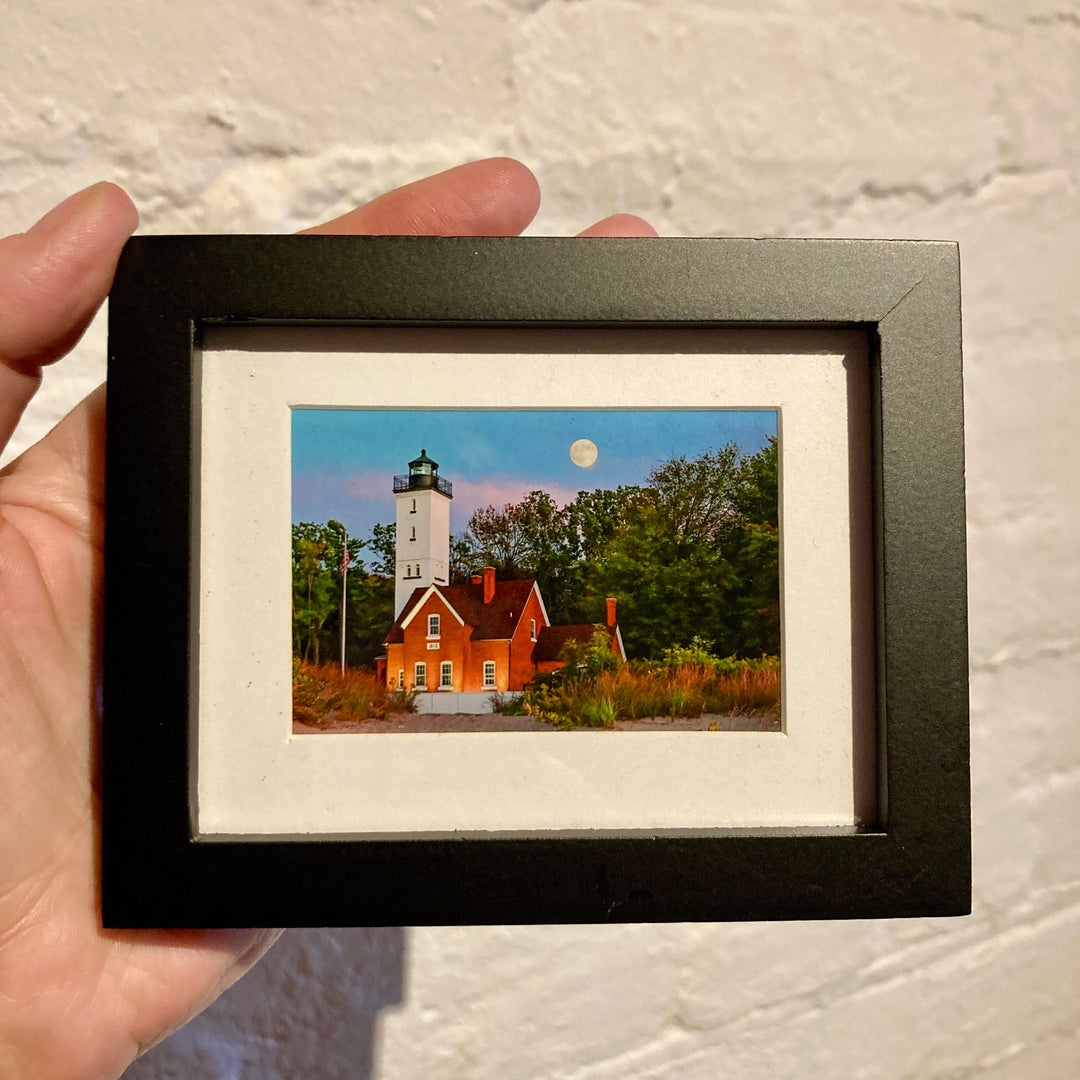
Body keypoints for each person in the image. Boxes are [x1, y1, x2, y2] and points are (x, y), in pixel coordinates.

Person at [0, 158, 656, 1080]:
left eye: (425, 495)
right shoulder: (425, 597)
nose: (419, 501)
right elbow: (411, 645)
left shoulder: (483, 601)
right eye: (415, 495)